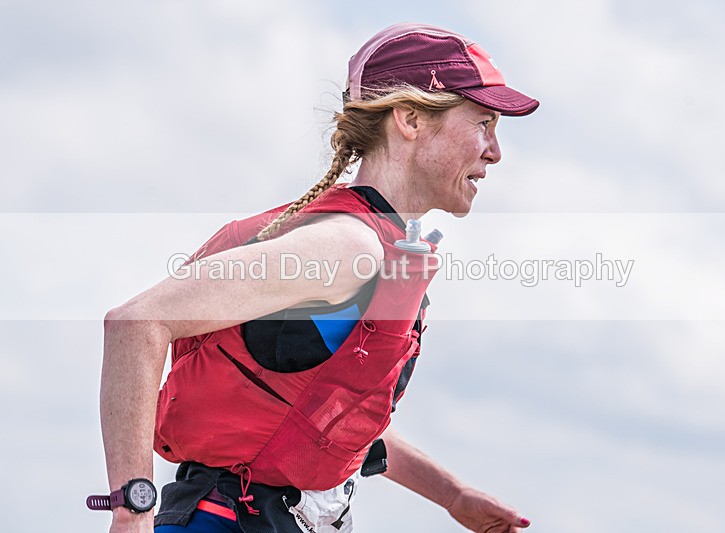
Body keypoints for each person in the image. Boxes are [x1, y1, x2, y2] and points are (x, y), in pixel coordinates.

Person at [94, 22, 539, 533]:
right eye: (483, 122)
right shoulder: (349, 246)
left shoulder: (376, 246)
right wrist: (132, 513)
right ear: (411, 119)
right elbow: (136, 322)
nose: (495, 151)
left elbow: (322, 419)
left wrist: (452, 495)